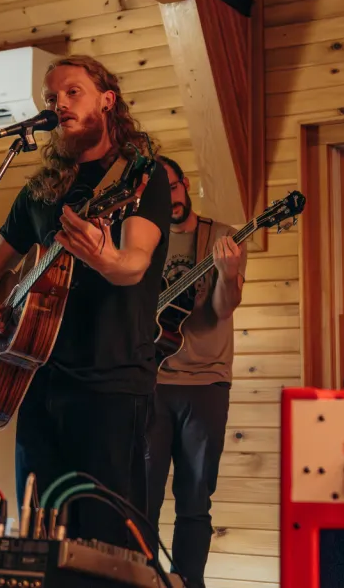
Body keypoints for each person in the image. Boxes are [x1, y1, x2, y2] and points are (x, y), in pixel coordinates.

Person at [0, 55, 171, 548]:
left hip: (111, 382)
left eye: (72, 92)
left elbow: (134, 263)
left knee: (108, 542)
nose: (59, 104)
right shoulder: (39, 190)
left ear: (107, 100)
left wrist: (101, 255)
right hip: (33, 378)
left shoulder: (141, 175)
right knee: (40, 537)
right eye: (52, 98)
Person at [146, 156, 246, 588]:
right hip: (151, 379)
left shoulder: (221, 237)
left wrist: (230, 273)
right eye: (155, 193)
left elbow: (223, 310)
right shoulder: (143, 242)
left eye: (170, 187)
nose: (167, 199)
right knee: (142, 497)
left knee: (194, 498)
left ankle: (189, 582)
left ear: (184, 184)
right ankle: (142, 579)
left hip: (206, 381)